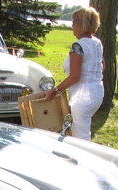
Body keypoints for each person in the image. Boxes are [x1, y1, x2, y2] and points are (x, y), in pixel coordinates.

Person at [44, 7, 103, 141]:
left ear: (81, 24)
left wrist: (55, 90)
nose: (72, 26)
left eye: (74, 23)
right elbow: (101, 66)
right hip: (97, 93)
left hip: (83, 97)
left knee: (80, 137)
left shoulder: (78, 45)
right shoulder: (97, 42)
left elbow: (75, 76)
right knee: (82, 130)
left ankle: (82, 160)